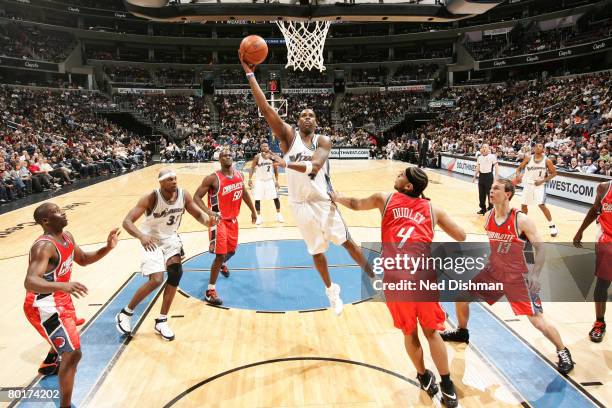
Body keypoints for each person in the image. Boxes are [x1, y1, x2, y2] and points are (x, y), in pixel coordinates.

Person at [240, 51, 373, 315]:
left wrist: (285, 164)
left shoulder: (324, 141)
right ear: (297, 121)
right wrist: (250, 73)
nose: (308, 117)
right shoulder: (288, 137)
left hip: (324, 200)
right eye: (303, 115)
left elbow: (315, 166)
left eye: (312, 114)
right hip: (299, 203)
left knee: (348, 242)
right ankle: (330, 291)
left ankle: (375, 277)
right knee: (316, 250)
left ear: (317, 121)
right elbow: (266, 109)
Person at [331, 167, 465, 407]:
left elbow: (354, 203)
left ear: (408, 187)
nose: (397, 174)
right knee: (432, 331)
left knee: (409, 332)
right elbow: (462, 235)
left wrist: (336, 197)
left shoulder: (385, 198)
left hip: (395, 276)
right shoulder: (433, 209)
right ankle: (447, 385)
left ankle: (424, 376)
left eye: (402, 174)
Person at [441, 179, 575, 375]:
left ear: (508, 194)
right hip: (494, 272)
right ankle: (462, 332)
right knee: (462, 298)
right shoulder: (488, 216)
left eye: (496, 188)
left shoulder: (521, 220)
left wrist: (535, 276)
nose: (491, 190)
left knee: (537, 320)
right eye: (491, 187)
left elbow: (540, 248)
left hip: (517, 276)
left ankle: (563, 351)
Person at [24, 203, 120, 408]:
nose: (63, 212)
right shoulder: (44, 247)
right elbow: (30, 282)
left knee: (66, 341)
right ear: (46, 221)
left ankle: (51, 360)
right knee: (73, 353)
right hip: (43, 304)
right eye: (56, 212)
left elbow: (83, 259)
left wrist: (108, 248)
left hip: (60, 299)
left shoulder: (67, 236)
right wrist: (63, 285)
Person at [115, 169, 216, 341]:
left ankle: (161, 320)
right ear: (161, 182)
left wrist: (208, 221)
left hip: (170, 238)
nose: (174, 181)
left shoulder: (183, 195)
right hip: (150, 239)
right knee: (156, 280)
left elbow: (198, 214)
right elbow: (127, 222)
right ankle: (125, 313)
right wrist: (141, 236)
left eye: (175, 178)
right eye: (169, 179)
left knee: (176, 272)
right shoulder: (151, 197)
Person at [194, 149, 257, 305]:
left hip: (233, 220)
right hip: (218, 221)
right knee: (220, 254)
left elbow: (244, 194)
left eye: (230, 154)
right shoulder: (212, 178)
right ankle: (210, 291)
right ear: (219, 159)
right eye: (224, 155)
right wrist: (209, 212)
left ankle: (222, 264)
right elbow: (196, 197)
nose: (228, 156)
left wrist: (253, 211)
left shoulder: (239, 175)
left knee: (231, 251)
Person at [573, 181, 612, 342]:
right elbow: (594, 211)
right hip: (607, 239)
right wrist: (580, 231)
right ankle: (599, 322)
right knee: (603, 284)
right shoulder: (604, 187)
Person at [514, 142, 558, 237]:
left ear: (543, 149)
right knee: (524, 205)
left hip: (539, 185)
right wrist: (518, 176)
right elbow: (518, 169)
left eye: (540, 146)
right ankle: (524, 227)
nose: (538, 147)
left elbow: (554, 173)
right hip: (528, 184)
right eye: (536, 146)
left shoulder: (547, 161)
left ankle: (552, 226)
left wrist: (542, 181)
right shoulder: (528, 158)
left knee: (541, 205)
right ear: (533, 148)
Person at [248, 141, 284, 225]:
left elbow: (275, 170)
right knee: (257, 198)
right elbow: (252, 168)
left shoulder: (272, 157)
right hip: (259, 181)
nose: (265, 147)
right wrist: (249, 179)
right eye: (263, 146)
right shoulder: (257, 157)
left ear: (268, 147)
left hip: (270, 181)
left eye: (266, 146)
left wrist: (277, 181)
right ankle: (259, 217)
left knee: (275, 198)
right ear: (261, 148)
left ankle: (278, 215)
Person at [473, 144, 498, 215]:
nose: (484, 148)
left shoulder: (492, 156)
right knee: (481, 194)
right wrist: (475, 176)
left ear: (488, 149)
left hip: (489, 176)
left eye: (485, 147)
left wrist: (496, 179)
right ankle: (482, 208)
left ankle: (490, 208)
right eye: (483, 147)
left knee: (489, 193)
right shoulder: (479, 157)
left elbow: (497, 167)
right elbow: (478, 167)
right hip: (481, 176)